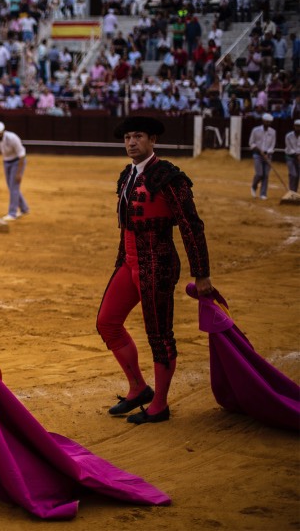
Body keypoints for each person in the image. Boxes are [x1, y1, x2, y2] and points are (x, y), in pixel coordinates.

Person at [97, 115, 212, 425]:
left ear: (152, 141)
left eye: (138, 136)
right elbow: (126, 226)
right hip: (130, 261)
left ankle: (159, 404)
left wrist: (201, 274)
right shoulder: (126, 176)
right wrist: (122, 261)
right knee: (107, 322)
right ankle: (138, 388)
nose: (131, 142)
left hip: (158, 264)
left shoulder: (169, 177)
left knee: (159, 336)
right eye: (127, 138)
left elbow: (191, 226)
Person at [0, 121, 29, 222]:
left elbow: (22, 155)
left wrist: (19, 173)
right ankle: (24, 208)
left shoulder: (12, 138)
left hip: (18, 162)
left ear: (3, 131)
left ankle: (12, 213)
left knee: (14, 186)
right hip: (6, 162)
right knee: (12, 187)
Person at [249, 113, 277, 200]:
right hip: (257, 154)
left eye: (269, 122)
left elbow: (272, 145)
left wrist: (267, 152)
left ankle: (263, 193)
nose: (268, 124)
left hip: (268, 155)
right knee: (259, 173)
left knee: (266, 175)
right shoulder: (255, 130)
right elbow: (251, 143)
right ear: (263, 121)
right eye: (267, 122)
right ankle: (254, 187)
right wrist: (258, 150)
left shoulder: (273, 132)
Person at [287, 119, 299, 193]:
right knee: (293, 174)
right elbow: (289, 148)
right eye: (297, 126)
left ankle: (294, 192)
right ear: (294, 126)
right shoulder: (288, 136)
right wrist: (297, 155)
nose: (298, 128)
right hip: (290, 157)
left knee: (297, 176)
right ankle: (291, 191)